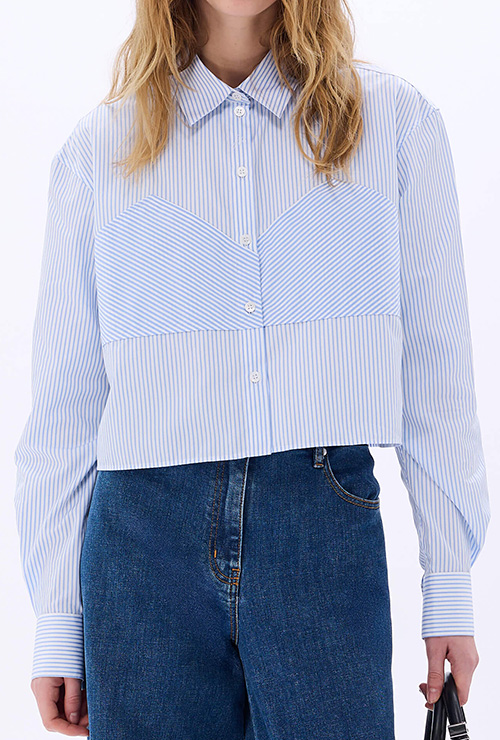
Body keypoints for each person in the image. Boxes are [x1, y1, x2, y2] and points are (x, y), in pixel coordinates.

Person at [14, 0, 490, 738]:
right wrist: (58, 619)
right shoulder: (99, 147)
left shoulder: (395, 123)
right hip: (141, 544)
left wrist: (449, 586)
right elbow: (66, 403)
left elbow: (437, 370)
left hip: (321, 521)